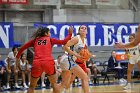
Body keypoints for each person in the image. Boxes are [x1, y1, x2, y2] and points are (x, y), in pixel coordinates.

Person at [16, 26, 73, 93]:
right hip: (48, 62)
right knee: (54, 84)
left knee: (31, 87)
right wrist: (70, 34)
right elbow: (64, 42)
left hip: (37, 63)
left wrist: (17, 57)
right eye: (49, 32)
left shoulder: (34, 41)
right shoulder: (50, 39)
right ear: (46, 33)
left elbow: (22, 48)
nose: (50, 33)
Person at [62, 25, 96, 93]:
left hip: (71, 60)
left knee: (67, 83)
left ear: (87, 32)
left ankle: (62, 90)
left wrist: (90, 55)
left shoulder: (84, 40)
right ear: (79, 31)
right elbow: (64, 47)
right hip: (67, 59)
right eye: (82, 28)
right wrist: (76, 55)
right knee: (85, 77)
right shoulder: (76, 38)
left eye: (85, 28)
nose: (83, 29)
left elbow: (84, 52)